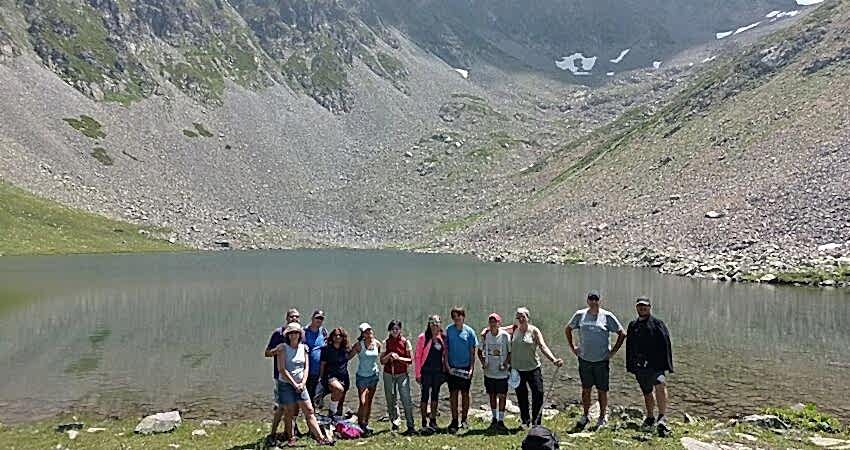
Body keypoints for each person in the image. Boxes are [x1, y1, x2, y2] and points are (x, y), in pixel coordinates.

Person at [565, 290, 626, 430]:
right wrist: (573, 347)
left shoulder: (607, 316)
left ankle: (602, 416)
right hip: (585, 359)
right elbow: (568, 329)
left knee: (602, 390)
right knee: (586, 389)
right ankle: (585, 415)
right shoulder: (580, 315)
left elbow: (622, 334)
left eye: (595, 299)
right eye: (591, 299)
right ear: (587, 301)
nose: (593, 301)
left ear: (599, 300)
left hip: (601, 360)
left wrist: (613, 352)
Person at [275, 322, 333, 446]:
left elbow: (306, 367)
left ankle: (321, 438)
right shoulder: (282, 348)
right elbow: (281, 369)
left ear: (300, 334)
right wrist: (294, 384)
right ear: (288, 335)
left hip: (301, 385)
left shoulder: (304, 348)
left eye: (296, 332)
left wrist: (302, 383)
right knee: (289, 412)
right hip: (286, 384)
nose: (293, 335)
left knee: (309, 410)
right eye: (291, 333)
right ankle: (291, 438)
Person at [626, 296, 674, 435]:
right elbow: (629, 347)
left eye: (645, 306)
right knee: (647, 391)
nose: (642, 308)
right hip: (640, 367)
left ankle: (662, 416)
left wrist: (667, 365)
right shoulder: (632, 325)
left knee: (660, 384)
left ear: (649, 307)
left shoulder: (657, 323)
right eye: (640, 306)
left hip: (656, 364)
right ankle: (650, 416)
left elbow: (666, 344)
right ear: (636, 307)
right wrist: (630, 366)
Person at [510, 307, 564, 427]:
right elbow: (496, 328)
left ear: (528, 317)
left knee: (538, 394)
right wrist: (486, 331)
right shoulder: (514, 329)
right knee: (521, 396)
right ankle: (525, 421)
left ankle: (536, 422)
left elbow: (543, 346)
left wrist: (553, 360)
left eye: (523, 316)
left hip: (533, 368)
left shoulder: (534, 331)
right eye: (518, 317)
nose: (520, 319)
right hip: (518, 369)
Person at [264, 308, 302, 441]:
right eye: (292, 317)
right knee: (282, 406)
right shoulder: (278, 333)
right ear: (287, 318)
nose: (294, 319)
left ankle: (290, 430)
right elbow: (267, 353)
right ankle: (273, 434)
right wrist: (277, 350)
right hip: (281, 376)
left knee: (294, 406)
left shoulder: (299, 333)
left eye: (297, 317)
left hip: (297, 378)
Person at [445, 306, 478, 433]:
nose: (456, 319)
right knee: (453, 394)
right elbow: (446, 350)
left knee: (465, 394)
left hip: (465, 367)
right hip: (452, 368)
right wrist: (447, 365)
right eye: (454, 317)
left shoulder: (469, 332)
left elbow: (472, 352)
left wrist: (471, 369)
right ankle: (454, 420)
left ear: (463, 316)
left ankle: (464, 420)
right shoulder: (449, 330)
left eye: (458, 316)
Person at [380, 320, 416, 435]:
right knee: (391, 399)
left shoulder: (405, 342)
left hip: (402, 375)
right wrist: (390, 355)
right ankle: (395, 422)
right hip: (388, 374)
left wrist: (399, 358)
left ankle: (410, 425)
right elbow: (382, 361)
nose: (395, 331)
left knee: (406, 398)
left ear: (400, 329)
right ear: (389, 331)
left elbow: (410, 360)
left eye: (397, 329)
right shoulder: (385, 342)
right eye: (392, 329)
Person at [477, 312, 511, 433]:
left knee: (502, 396)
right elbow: (479, 351)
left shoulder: (505, 336)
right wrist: (483, 362)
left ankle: (501, 420)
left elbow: (511, 353)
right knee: (492, 395)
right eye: (491, 322)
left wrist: (506, 364)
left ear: (499, 323)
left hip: (502, 373)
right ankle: (494, 418)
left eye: (495, 322)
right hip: (489, 372)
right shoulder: (486, 336)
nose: (493, 324)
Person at [414, 314, 448, 434]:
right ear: (429, 325)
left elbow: (445, 354)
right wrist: (417, 374)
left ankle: (433, 420)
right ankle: (423, 421)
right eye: (432, 324)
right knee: (424, 396)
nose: (434, 326)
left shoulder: (442, 337)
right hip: (426, 371)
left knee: (435, 395)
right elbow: (417, 356)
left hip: (438, 372)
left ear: (440, 324)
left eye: (436, 323)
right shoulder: (423, 337)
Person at [350, 322, 382, 435]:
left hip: (374, 375)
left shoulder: (377, 344)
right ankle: (360, 423)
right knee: (363, 401)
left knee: (370, 401)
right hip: (362, 376)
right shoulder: (359, 345)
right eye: (366, 331)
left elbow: (379, 354)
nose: (369, 333)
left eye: (370, 330)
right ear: (363, 334)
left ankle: (365, 424)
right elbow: (348, 356)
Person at [320, 327, 353, 418]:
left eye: (340, 335)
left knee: (341, 400)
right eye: (335, 335)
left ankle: (335, 418)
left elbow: (352, 354)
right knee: (339, 389)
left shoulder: (346, 348)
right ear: (332, 336)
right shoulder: (326, 349)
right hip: (331, 376)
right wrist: (321, 378)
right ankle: (331, 412)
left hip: (344, 377)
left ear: (343, 337)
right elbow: (322, 364)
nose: (337, 337)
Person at [303, 310, 329, 404]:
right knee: (306, 394)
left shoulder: (323, 331)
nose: (319, 320)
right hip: (306, 369)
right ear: (312, 318)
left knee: (316, 393)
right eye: (317, 317)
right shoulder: (304, 332)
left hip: (320, 369)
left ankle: (314, 414)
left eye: (321, 318)